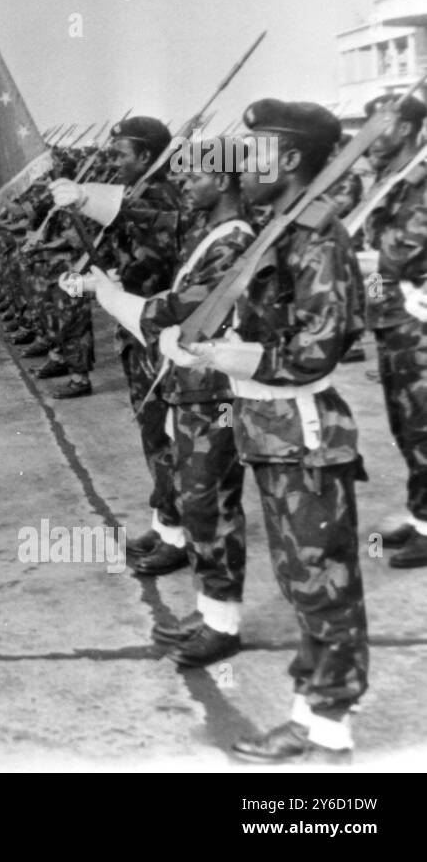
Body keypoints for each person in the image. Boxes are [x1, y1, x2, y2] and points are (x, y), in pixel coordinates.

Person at [177, 99, 368, 763]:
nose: (239, 163)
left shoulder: (317, 236)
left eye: (253, 152)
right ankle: (311, 714)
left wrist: (240, 357)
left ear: (289, 160)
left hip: (306, 435)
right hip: (272, 433)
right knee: (302, 582)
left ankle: (328, 728)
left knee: (324, 585)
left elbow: (322, 346)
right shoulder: (278, 228)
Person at [82, 154, 254, 667]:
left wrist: (112, 296)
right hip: (197, 387)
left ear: (222, 180)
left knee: (212, 497)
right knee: (200, 495)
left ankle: (222, 622)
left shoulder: (233, 241)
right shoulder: (213, 230)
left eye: (195, 175)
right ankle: (213, 612)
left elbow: (181, 307)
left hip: (219, 393)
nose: (184, 182)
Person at [50, 117, 185, 573]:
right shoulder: (136, 196)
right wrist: (95, 284)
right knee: (153, 434)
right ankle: (166, 524)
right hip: (135, 333)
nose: (112, 161)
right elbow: (128, 259)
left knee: (166, 434)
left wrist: (87, 197)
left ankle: (179, 532)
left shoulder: (161, 195)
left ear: (147, 156)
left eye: (120, 154)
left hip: (160, 336)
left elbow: (145, 220)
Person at [359, 93, 427, 567]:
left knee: (424, 426)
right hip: (390, 323)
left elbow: (403, 252)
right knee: (406, 428)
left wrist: (354, 259)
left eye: (378, 126)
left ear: (404, 129)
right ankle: (423, 516)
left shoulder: (419, 183)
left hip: (417, 322)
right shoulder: (388, 181)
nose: (368, 137)